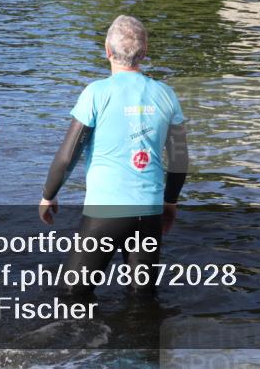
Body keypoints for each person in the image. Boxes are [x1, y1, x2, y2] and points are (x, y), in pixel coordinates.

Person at [39, 15, 189, 298]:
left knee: (72, 295)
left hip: (104, 213)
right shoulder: (166, 94)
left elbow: (67, 156)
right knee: (142, 298)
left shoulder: (96, 93)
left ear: (107, 51)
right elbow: (180, 159)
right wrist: (170, 201)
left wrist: (48, 195)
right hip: (149, 211)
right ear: (143, 53)